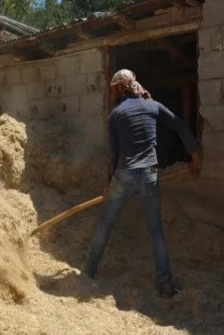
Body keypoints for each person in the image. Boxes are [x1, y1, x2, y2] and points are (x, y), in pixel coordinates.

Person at [86, 69, 202, 299]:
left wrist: (110, 185)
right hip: (149, 173)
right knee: (156, 230)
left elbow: (114, 156)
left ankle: (88, 272)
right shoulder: (153, 106)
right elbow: (179, 125)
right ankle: (166, 286)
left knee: (107, 223)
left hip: (124, 175)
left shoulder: (115, 115)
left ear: (118, 90)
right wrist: (195, 154)